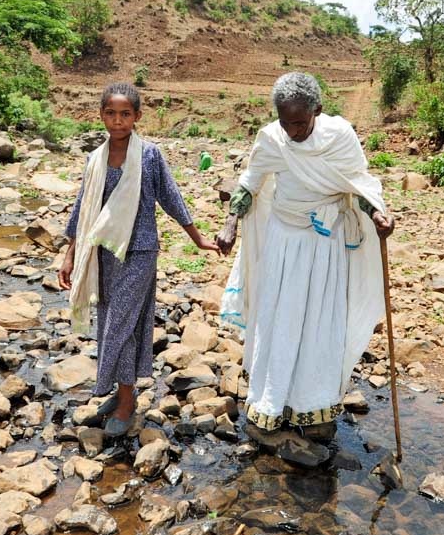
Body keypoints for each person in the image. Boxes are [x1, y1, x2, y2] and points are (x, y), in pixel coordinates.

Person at [216, 72, 393, 440]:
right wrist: (231, 223)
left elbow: (356, 183)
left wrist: (376, 213)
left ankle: (312, 403)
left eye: (300, 122)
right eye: (286, 122)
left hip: (324, 242)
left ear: (318, 110)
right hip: (283, 239)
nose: (293, 131)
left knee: (319, 319)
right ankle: (270, 400)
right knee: (280, 317)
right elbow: (250, 183)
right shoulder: (272, 139)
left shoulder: (339, 136)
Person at [59, 82, 219, 437]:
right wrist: (70, 254)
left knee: (120, 322)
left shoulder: (149, 154)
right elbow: (83, 209)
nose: (118, 121)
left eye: (125, 114)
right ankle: (120, 391)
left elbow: (170, 197)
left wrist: (198, 238)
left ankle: (127, 399)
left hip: (141, 250)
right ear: (101, 115)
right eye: (111, 114)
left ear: (137, 117)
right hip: (104, 250)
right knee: (116, 323)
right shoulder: (95, 159)